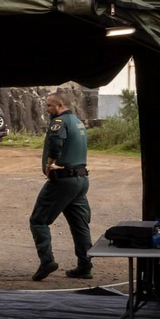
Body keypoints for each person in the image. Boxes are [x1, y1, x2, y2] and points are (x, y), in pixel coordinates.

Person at [30, 92, 93, 281]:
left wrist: (50, 164)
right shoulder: (78, 122)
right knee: (79, 225)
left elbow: (55, 143)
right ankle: (85, 266)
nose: (47, 109)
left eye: (49, 106)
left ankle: (47, 261)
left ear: (59, 106)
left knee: (38, 220)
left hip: (64, 180)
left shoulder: (59, 122)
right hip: (80, 180)